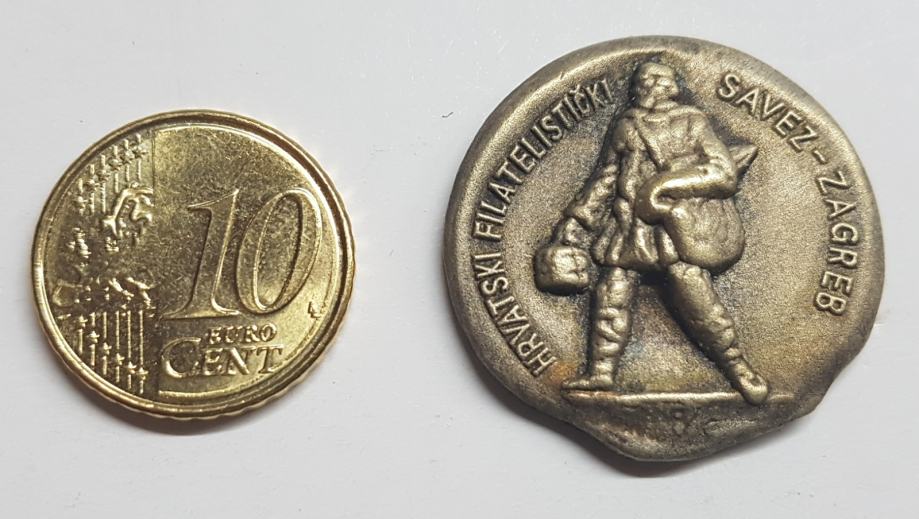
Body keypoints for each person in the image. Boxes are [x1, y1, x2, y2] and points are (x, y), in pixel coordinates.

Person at [535, 62, 768, 404]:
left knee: (698, 301)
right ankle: (601, 372)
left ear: (670, 87)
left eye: (655, 80)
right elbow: (606, 178)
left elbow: (723, 173)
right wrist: (576, 221)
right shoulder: (626, 124)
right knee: (612, 292)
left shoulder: (692, 121)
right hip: (631, 225)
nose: (646, 86)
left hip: (676, 224)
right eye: (642, 81)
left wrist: (664, 184)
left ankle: (738, 369)